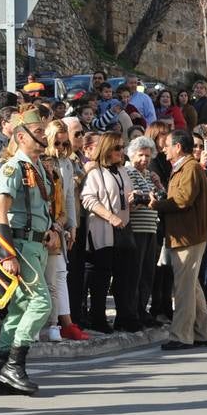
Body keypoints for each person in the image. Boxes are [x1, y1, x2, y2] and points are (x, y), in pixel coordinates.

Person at [0, 112, 59, 395]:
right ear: (20, 136)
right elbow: (0, 213)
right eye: (38, 131)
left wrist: (51, 229)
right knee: (41, 303)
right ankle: (14, 366)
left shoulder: (38, 167)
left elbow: (41, 208)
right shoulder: (12, 168)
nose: (44, 135)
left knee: (18, 310)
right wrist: (8, 254)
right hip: (20, 245)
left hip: (37, 244)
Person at [153, 130, 207, 350]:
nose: (164, 149)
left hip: (188, 235)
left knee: (183, 288)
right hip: (187, 234)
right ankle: (203, 332)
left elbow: (182, 199)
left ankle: (181, 335)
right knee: (191, 285)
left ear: (178, 147)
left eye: (167, 145)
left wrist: (156, 204)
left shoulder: (188, 168)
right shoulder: (186, 167)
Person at [80, 132, 135, 333]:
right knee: (101, 277)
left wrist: (133, 201)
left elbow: (125, 196)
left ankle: (124, 316)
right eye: (117, 148)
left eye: (122, 147)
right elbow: (88, 199)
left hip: (122, 230)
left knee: (123, 276)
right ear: (107, 150)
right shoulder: (95, 173)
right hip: (102, 230)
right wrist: (110, 216)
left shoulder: (122, 171)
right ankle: (98, 317)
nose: (122, 152)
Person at [43, 120, 88, 341]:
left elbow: (70, 197)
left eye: (64, 143)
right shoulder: (43, 162)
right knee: (54, 275)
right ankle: (57, 323)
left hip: (61, 223)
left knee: (59, 274)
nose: (60, 147)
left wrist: (73, 225)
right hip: (45, 223)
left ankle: (64, 323)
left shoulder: (68, 164)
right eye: (56, 143)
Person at [122, 136, 164, 327]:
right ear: (132, 155)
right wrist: (147, 198)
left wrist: (158, 187)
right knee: (134, 273)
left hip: (150, 228)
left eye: (147, 156)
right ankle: (131, 314)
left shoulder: (149, 175)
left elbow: (160, 198)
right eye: (140, 155)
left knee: (148, 273)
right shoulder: (128, 172)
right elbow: (131, 201)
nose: (144, 159)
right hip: (136, 229)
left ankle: (141, 310)